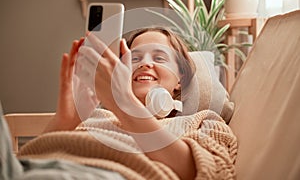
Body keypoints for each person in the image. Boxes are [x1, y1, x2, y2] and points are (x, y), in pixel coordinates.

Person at [16, 27, 237, 180]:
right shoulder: (94, 118)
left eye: (159, 58)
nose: (145, 64)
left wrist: (126, 105)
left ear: (180, 79)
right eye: (134, 58)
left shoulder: (203, 122)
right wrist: (64, 120)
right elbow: (27, 161)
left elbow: (214, 174)